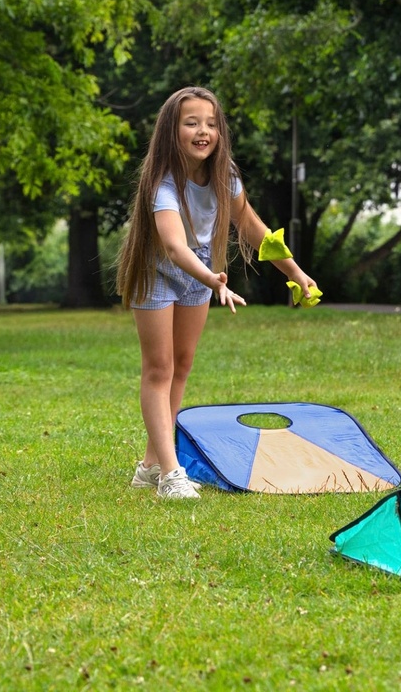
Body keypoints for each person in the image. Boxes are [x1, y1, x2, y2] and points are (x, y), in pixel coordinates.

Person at [116, 86, 317, 500]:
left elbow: (253, 227)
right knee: (159, 368)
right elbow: (173, 245)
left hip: (202, 272)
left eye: (210, 123)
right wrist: (210, 279)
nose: (202, 131)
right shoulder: (162, 182)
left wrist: (296, 273)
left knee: (182, 365)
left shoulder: (225, 177)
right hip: (157, 272)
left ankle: (151, 466)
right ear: (172, 131)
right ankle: (171, 475)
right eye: (191, 123)